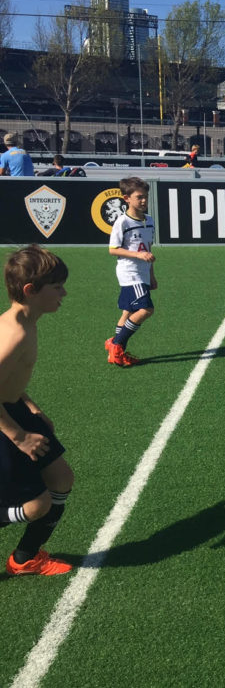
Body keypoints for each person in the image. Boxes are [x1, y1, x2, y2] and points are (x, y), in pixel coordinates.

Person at [0, 245, 74, 576]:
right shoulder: (13, 333)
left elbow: (9, 379)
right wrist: (18, 436)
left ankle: (24, 558)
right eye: (57, 287)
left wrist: (31, 406)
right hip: (5, 424)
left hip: (15, 408)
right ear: (31, 291)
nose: (64, 293)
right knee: (36, 506)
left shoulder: (28, 319)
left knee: (61, 478)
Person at [106, 177, 156, 366]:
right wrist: (138, 255)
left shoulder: (149, 220)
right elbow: (113, 249)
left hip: (143, 273)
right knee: (146, 309)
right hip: (130, 272)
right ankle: (116, 345)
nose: (144, 201)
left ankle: (116, 352)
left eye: (146, 197)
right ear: (127, 198)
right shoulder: (122, 222)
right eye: (139, 197)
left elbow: (149, 249)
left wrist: (152, 275)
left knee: (128, 312)